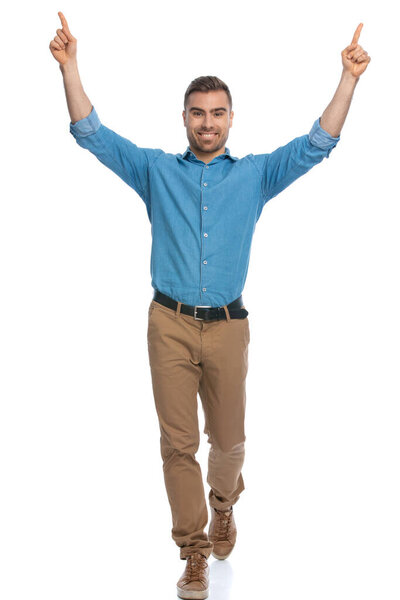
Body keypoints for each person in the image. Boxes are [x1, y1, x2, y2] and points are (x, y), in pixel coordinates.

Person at [50, 12, 371, 599]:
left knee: (227, 444)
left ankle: (225, 502)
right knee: (178, 446)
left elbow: (318, 144)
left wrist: (347, 79)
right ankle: (192, 552)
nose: (207, 122)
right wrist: (71, 67)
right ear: (185, 119)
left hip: (228, 328)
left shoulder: (254, 176)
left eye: (217, 112)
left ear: (230, 119)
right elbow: (90, 132)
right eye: (198, 112)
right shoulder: (154, 171)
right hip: (167, 324)